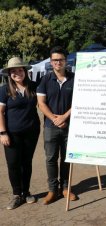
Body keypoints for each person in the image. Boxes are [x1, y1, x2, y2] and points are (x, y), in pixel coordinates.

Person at [37, 46, 77, 204]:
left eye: (60, 59)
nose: (57, 62)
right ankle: (52, 190)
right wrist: (54, 118)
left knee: (67, 158)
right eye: (54, 60)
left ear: (66, 60)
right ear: (51, 62)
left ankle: (66, 188)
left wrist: (65, 117)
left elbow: (79, 101)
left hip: (70, 125)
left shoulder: (75, 78)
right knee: (51, 159)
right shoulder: (46, 79)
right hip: (50, 126)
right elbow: (41, 103)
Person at [0, 57, 40, 209]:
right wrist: (3, 132)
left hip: (32, 132)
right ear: (9, 74)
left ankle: (26, 191)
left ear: (25, 71)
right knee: (13, 164)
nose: (17, 73)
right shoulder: (4, 90)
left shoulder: (33, 86)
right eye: (14, 71)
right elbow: (0, 112)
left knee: (26, 163)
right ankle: (17, 195)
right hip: (11, 133)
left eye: (20, 70)